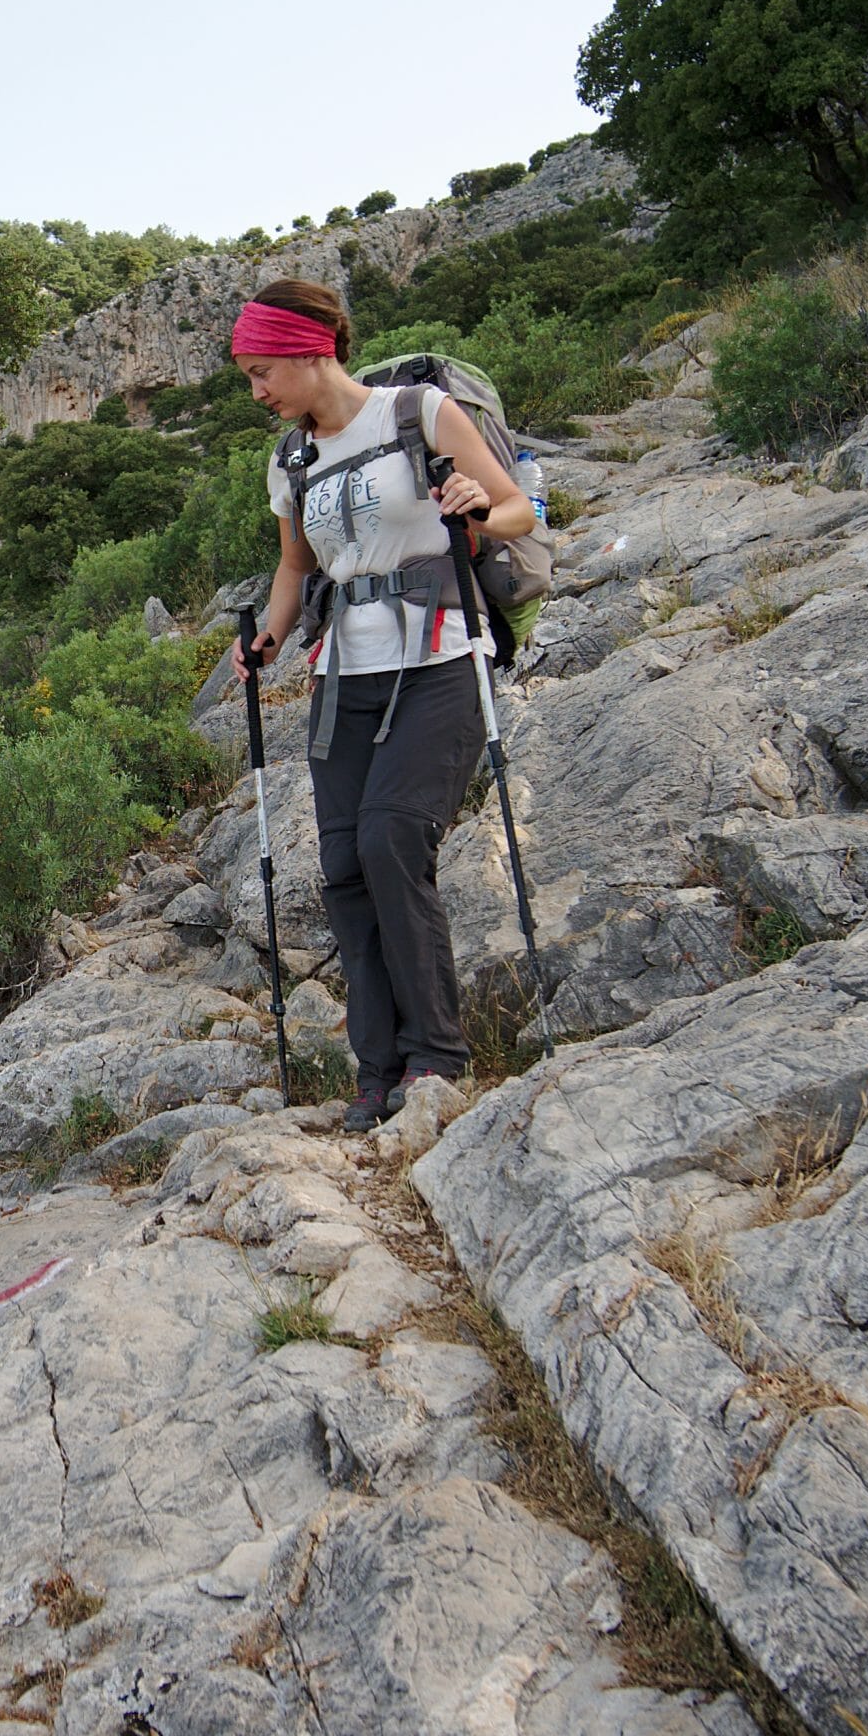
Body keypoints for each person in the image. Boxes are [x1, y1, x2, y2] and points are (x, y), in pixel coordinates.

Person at [225, 277, 534, 1129]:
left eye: (261, 371)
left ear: (307, 348)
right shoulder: (290, 461)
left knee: (394, 834)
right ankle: (378, 1070)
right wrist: (271, 639)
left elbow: (517, 507)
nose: (256, 392)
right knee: (345, 868)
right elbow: (296, 567)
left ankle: (436, 1056)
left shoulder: (420, 414)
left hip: (438, 658)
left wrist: (480, 505)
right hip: (342, 676)